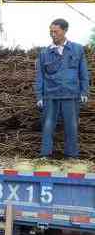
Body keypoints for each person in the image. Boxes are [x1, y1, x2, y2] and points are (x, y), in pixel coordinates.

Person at [35, 18, 90, 158]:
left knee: (71, 126)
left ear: (65, 31)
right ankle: (45, 155)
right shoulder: (44, 53)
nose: (53, 34)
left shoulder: (77, 49)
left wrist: (84, 91)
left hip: (71, 94)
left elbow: (83, 72)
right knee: (47, 125)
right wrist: (39, 96)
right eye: (51, 31)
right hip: (50, 95)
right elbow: (40, 76)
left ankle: (71, 155)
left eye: (56, 31)